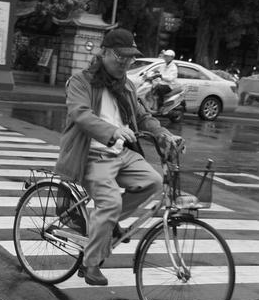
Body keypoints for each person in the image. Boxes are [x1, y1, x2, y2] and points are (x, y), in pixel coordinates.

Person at [54, 28, 183, 286]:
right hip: (91, 155)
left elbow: (143, 116)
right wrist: (113, 131)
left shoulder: (126, 84)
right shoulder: (81, 81)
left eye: (129, 58)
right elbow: (81, 115)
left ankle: (102, 223)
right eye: (120, 57)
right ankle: (90, 264)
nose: (125, 62)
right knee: (111, 203)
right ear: (104, 53)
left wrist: (163, 134)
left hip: (120, 153)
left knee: (153, 182)